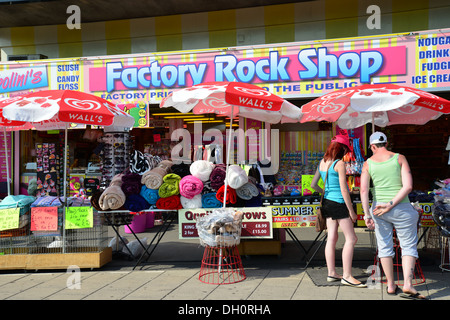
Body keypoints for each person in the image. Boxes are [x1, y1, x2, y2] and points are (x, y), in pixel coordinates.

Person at [361, 132, 426, 300]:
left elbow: (363, 190)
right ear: (386, 143)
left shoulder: (367, 163)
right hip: (402, 207)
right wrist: (391, 203)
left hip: (377, 209)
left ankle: (390, 285)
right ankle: (408, 284)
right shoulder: (399, 158)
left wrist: (367, 214)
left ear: (372, 146)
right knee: (408, 246)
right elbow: (408, 186)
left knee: (384, 246)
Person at [311, 134, 366, 288]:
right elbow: (344, 190)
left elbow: (314, 185)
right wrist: (351, 211)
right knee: (351, 239)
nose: (347, 153)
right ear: (341, 149)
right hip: (339, 203)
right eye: (346, 150)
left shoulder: (322, 162)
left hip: (327, 203)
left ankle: (331, 273)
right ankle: (347, 276)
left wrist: (325, 191)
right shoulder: (339, 163)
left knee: (331, 238)